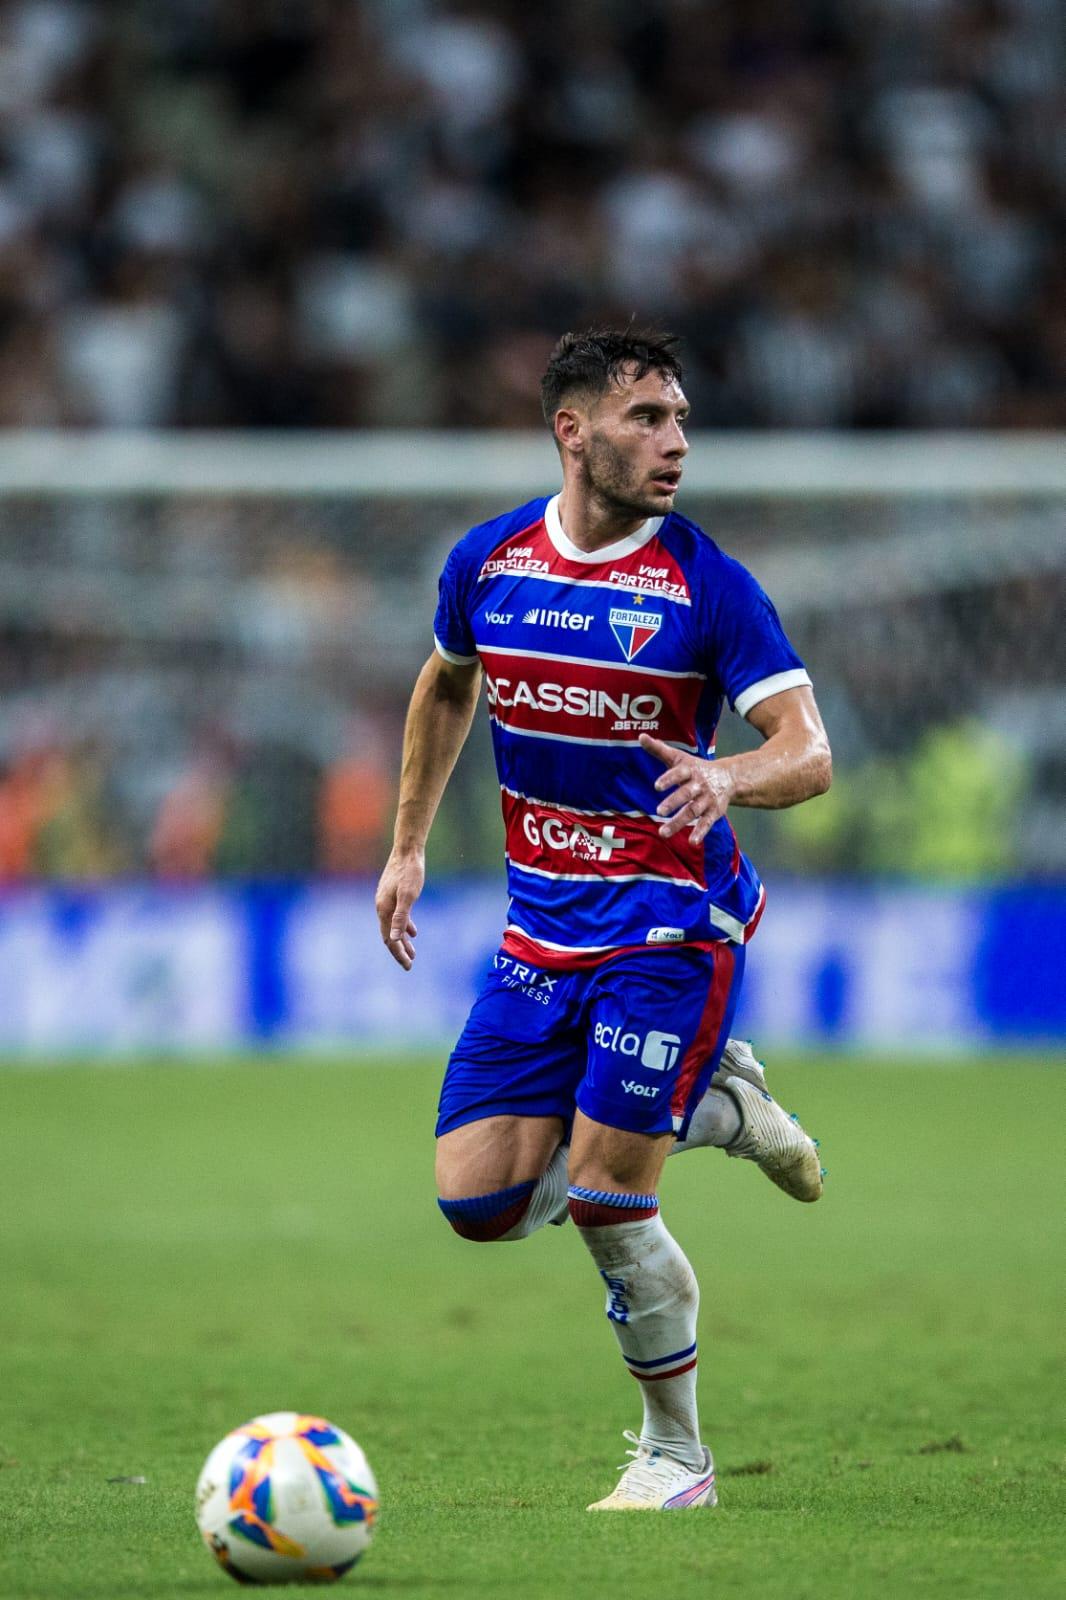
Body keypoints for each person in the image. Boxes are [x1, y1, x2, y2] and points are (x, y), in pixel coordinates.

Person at [375, 328, 832, 1511]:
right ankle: (719, 1104)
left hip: (670, 924)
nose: (674, 441)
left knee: (606, 1199)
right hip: (540, 933)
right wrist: (408, 845)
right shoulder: (489, 561)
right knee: (477, 1204)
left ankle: (676, 1457)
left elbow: (807, 752)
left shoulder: (704, 583)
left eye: (680, 419)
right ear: (571, 431)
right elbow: (446, 679)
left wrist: (727, 778)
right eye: (645, 418)